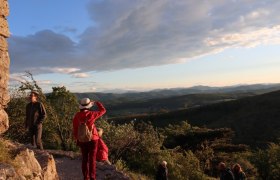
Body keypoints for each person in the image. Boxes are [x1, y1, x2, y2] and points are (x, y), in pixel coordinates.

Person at [72, 98, 106, 180]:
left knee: (84, 159)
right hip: (93, 139)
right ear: (88, 106)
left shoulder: (77, 116)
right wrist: (97, 102)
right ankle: (92, 177)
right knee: (92, 159)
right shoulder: (92, 114)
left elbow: (75, 129)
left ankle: (85, 177)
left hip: (82, 140)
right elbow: (103, 110)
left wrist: (78, 139)